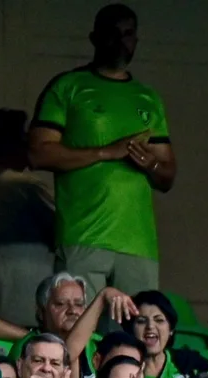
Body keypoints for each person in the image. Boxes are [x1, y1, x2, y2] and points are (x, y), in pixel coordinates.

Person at [28, 8, 171, 299]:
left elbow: (167, 176)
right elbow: (38, 154)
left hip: (138, 243)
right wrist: (107, 152)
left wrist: (151, 163)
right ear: (94, 38)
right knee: (80, 334)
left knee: (134, 339)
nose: (121, 42)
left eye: (128, 34)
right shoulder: (68, 86)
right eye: (112, 34)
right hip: (83, 238)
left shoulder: (148, 97)